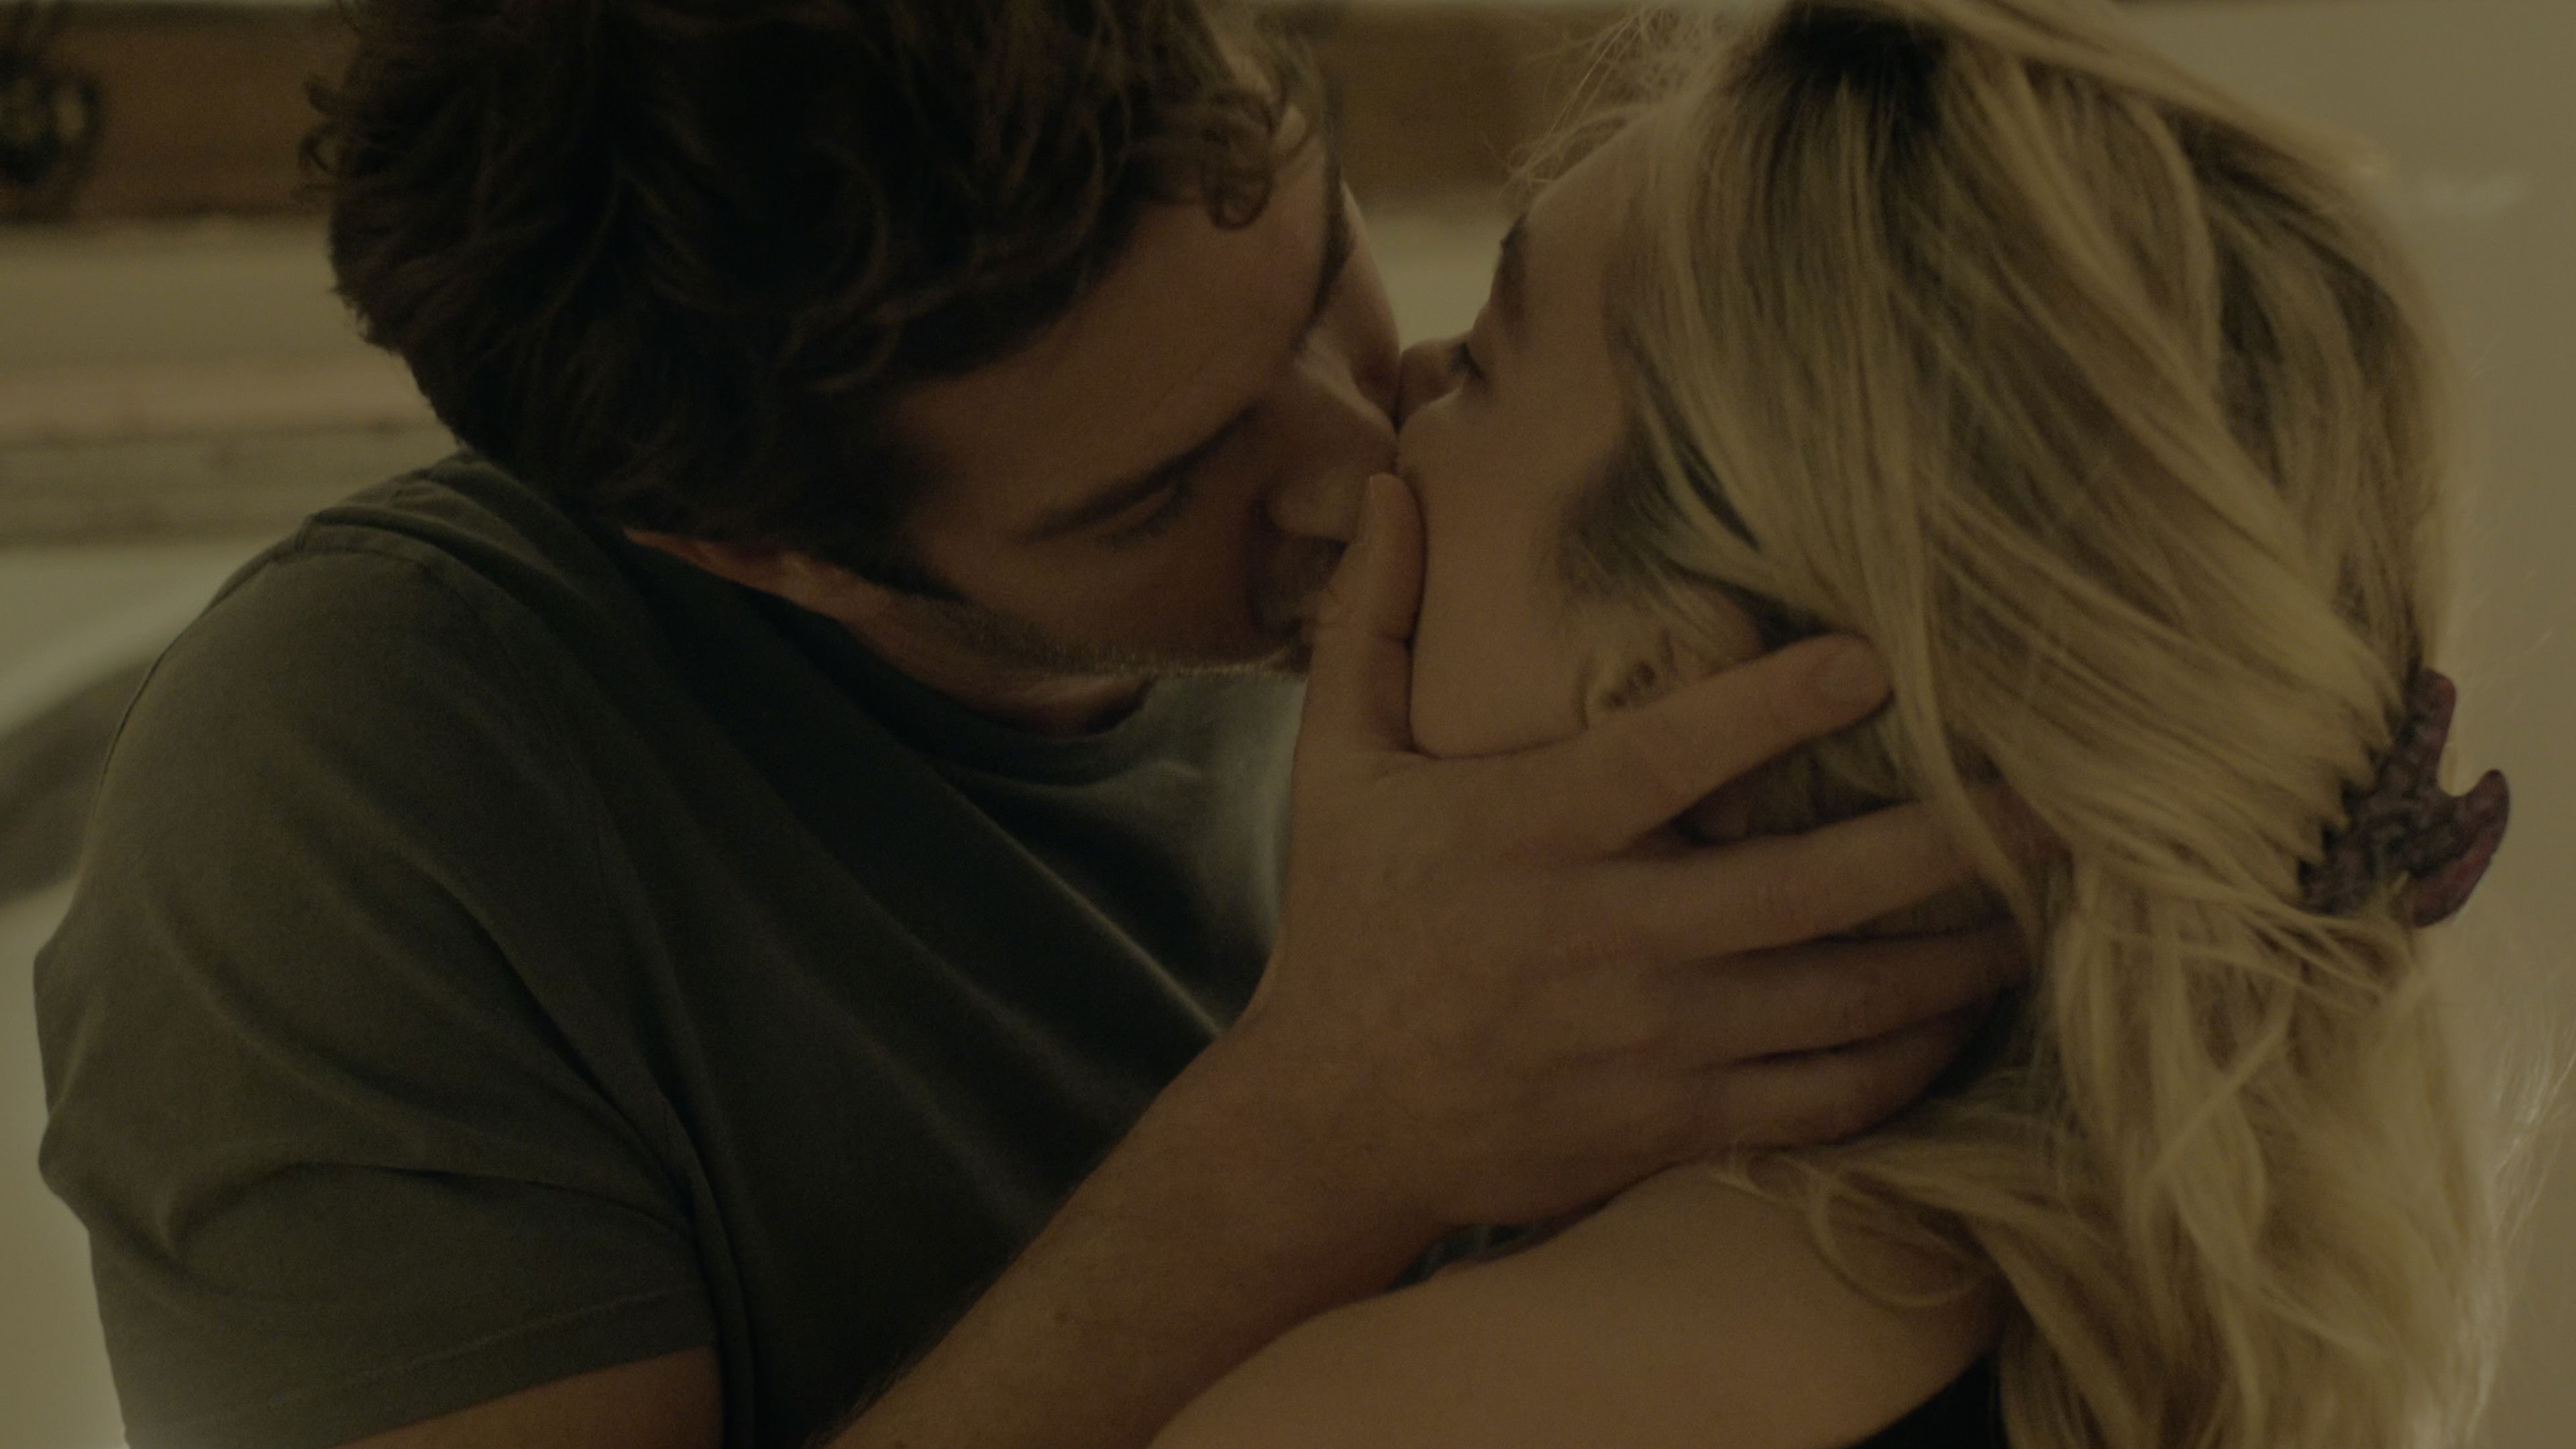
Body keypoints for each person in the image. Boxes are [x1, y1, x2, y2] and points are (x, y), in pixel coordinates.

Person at [30, 3, 2044, 1448]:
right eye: (1158, 494)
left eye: (1323, 276)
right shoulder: (349, 812)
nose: (1366, 468)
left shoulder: (1541, 570)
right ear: (760, 553)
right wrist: (1322, 1140)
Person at [1148, 1, 2545, 1447]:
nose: (1400, 403)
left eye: (1490, 365)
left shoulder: (1396, 1418)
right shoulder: (2184, 1329)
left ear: (1670, 686)